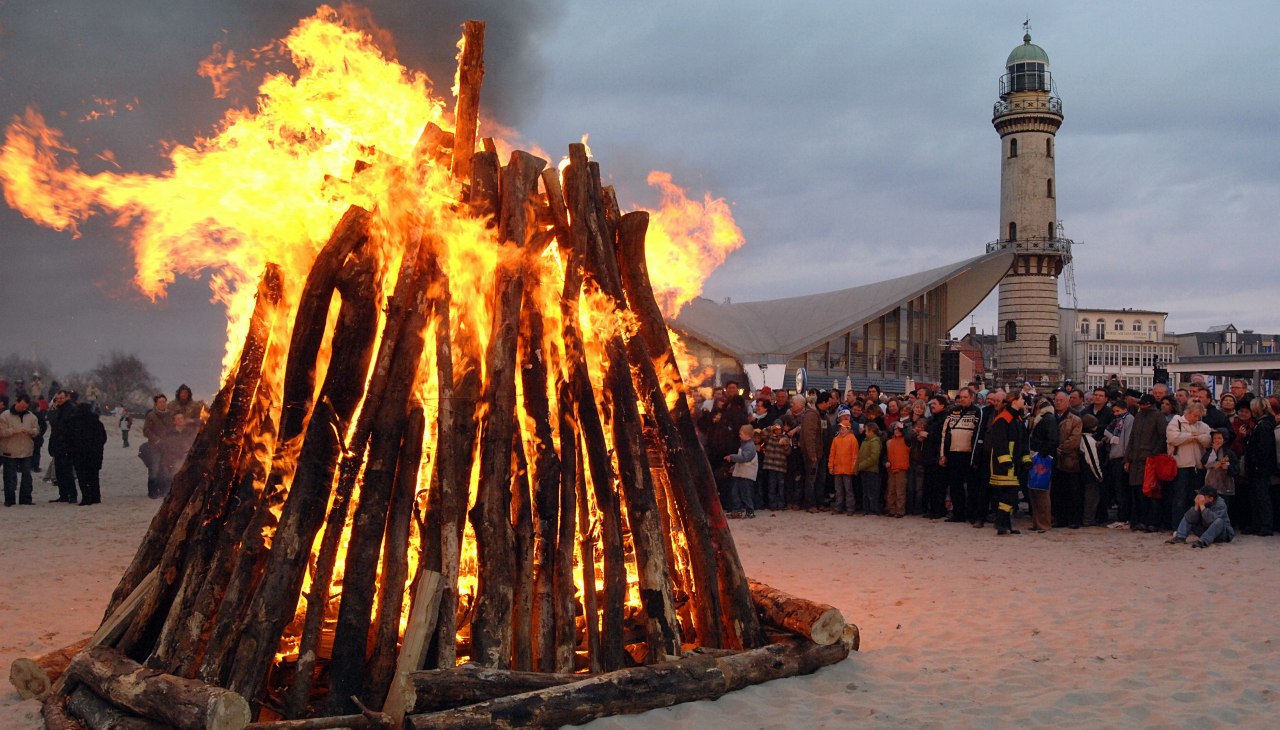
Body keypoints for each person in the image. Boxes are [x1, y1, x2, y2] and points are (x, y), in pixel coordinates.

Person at [940, 387, 986, 524]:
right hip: (954, 453)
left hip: (969, 454)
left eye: (965, 397)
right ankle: (958, 514)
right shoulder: (952, 411)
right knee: (955, 485)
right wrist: (943, 454)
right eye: (961, 397)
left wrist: (976, 455)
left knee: (972, 486)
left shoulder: (977, 412)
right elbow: (944, 434)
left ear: (972, 397)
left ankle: (971, 514)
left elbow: (979, 434)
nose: (962, 399)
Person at [987, 392, 1028, 535]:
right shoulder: (1003, 418)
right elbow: (999, 442)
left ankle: (1004, 524)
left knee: (1010, 495)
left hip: (1013, 462)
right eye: (1022, 398)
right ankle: (1001, 522)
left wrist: (1026, 459)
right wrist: (1005, 461)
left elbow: (1023, 441)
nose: (1024, 401)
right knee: (1008, 495)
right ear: (1014, 401)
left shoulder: (1017, 418)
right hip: (1003, 464)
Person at [1125, 394, 1168, 532]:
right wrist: (1127, 458)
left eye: (1143, 404)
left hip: (1149, 459)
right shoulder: (1139, 416)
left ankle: (1152, 522)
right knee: (1136, 492)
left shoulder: (1158, 416)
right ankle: (1139, 521)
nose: (1141, 406)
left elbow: (1162, 437)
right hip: (1136, 459)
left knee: (1150, 492)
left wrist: (1154, 454)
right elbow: (1132, 438)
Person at [1166, 401, 1213, 524]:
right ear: (1188, 412)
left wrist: (1194, 437)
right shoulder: (1176, 421)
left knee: (1194, 497)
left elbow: (1208, 440)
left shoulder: (1202, 425)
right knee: (1179, 497)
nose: (1197, 419)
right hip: (1181, 465)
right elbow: (1173, 438)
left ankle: (1192, 524)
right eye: (1195, 416)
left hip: (1197, 466)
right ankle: (1177, 525)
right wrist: (1192, 436)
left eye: (1199, 416)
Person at [1243, 398, 1277, 537]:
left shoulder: (1263, 425)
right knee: (1256, 496)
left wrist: (1256, 464)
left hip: (1259, 468)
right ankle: (1258, 524)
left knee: (1261, 496)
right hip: (1257, 467)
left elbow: (1263, 449)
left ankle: (1265, 525)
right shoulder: (1262, 424)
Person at [0, 394, 40, 506]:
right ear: (16, 402)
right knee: (10, 477)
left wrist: (32, 431)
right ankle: (10, 500)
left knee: (27, 476)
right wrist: (14, 431)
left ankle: (26, 499)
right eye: (22, 406)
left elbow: (37, 430)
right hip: (9, 450)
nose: (24, 408)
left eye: (26, 406)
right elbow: (1, 432)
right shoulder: (5, 416)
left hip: (26, 450)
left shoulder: (31, 416)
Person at [1026, 396, 1058, 532]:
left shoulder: (1048, 419)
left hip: (1042, 458)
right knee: (1034, 491)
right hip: (1037, 456)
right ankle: (1037, 522)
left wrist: (1041, 453)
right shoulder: (1040, 419)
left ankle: (1044, 523)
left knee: (1042, 493)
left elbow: (1052, 440)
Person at [66, 400, 107, 505]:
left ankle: (86, 497)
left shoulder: (73, 422)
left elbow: (69, 438)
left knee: (82, 477)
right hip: (95, 454)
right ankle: (96, 497)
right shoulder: (97, 422)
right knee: (94, 476)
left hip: (79, 454)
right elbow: (103, 438)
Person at [1053, 391, 1084, 529]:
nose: (1058, 402)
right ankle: (1061, 518)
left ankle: (1075, 519)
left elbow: (1075, 439)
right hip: (1055, 461)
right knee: (1058, 491)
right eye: (1056, 400)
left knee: (1073, 491)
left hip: (1070, 460)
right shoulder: (1051, 417)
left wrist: (1061, 448)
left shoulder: (1075, 419)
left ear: (1067, 402)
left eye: (1061, 400)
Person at [1166, 486, 1234, 547]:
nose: (1199, 498)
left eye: (1202, 496)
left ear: (1211, 498)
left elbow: (1211, 520)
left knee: (1219, 521)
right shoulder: (1203, 502)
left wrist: (1202, 506)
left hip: (1222, 534)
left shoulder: (1220, 504)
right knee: (1189, 515)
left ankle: (1203, 541)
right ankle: (1180, 537)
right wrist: (1196, 506)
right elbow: (1191, 518)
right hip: (1205, 530)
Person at [46, 390, 79, 503]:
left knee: (67, 471)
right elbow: (54, 429)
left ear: (67, 398)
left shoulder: (70, 409)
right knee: (59, 472)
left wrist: (52, 413)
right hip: (58, 444)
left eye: (61, 398)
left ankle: (72, 495)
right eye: (57, 398)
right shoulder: (59, 409)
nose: (59, 400)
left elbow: (60, 425)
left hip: (66, 445)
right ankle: (63, 495)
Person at [723, 424, 759, 519]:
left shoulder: (750, 446)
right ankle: (737, 510)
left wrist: (732, 457)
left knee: (746, 494)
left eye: (741, 434)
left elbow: (744, 458)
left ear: (747, 435)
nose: (739, 435)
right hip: (740, 473)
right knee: (735, 492)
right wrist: (734, 467)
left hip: (746, 475)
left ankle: (750, 511)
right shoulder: (744, 445)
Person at [143, 393, 174, 498]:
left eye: (164, 402)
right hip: (154, 446)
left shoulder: (170, 415)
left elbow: (173, 429)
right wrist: (155, 440)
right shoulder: (151, 415)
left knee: (165, 468)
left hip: (167, 446)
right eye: (160, 402)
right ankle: (152, 491)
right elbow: (146, 430)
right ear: (156, 403)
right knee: (154, 468)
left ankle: (164, 490)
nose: (162, 404)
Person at [827, 417, 859, 514]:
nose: (841, 431)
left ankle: (850, 508)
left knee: (848, 490)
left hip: (847, 469)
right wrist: (830, 466)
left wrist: (853, 468)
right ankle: (838, 507)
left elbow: (855, 455)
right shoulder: (835, 440)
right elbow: (832, 454)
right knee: (839, 490)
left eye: (843, 429)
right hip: (838, 469)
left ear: (848, 429)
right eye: (840, 429)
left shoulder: (853, 440)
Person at [759, 422, 791, 511]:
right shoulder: (769, 438)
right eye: (776, 429)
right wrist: (770, 427)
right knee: (771, 486)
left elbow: (788, 452)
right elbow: (763, 433)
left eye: (779, 429)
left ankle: (781, 504)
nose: (777, 431)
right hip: (771, 466)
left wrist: (785, 446)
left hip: (781, 466)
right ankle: (772, 504)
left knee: (781, 486)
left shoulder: (785, 439)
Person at [883, 422, 910, 519]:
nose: (897, 431)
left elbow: (909, 436)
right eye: (895, 429)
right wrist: (885, 461)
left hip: (901, 468)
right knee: (891, 490)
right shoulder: (890, 441)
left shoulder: (906, 440)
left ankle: (900, 510)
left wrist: (903, 428)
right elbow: (885, 454)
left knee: (900, 491)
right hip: (891, 468)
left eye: (899, 430)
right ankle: (891, 509)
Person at [856, 422, 883, 516]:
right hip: (864, 470)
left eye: (866, 431)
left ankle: (873, 509)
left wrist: (861, 465)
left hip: (872, 470)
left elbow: (873, 457)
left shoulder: (875, 442)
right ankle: (866, 508)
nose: (865, 432)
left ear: (871, 431)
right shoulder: (865, 441)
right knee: (865, 491)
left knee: (872, 491)